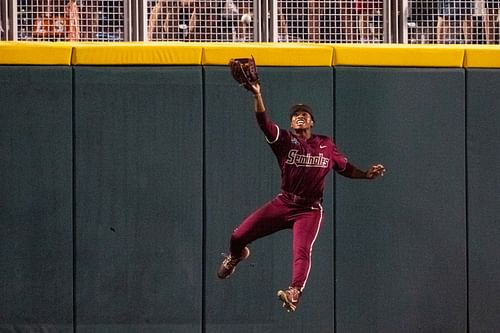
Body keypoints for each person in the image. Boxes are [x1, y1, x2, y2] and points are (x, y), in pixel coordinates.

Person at [217, 82, 386, 312]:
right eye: (295, 115)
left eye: (304, 114)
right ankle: (237, 256)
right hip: (285, 202)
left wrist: (366, 174)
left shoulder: (326, 144)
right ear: (290, 123)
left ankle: (294, 292)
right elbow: (263, 123)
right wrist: (257, 94)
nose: (299, 117)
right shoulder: (285, 141)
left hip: (309, 210)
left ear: (312, 122)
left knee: (301, 251)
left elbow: (344, 168)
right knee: (237, 237)